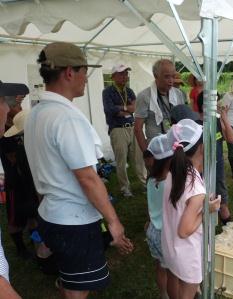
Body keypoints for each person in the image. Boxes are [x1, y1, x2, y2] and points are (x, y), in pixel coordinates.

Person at [24, 42, 133, 299]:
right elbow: (87, 177)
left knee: (70, 280)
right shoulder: (66, 117)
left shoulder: (37, 112)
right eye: (85, 71)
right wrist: (114, 222)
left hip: (52, 213)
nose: (87, 78)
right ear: (70, 72)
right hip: (73, 220)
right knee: (77, 290)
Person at [161, 119, 220, 299]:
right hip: (187, 253)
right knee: (189, 290)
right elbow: (184, 230)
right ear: (202, 148)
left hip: (171, 248)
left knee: (176, 281)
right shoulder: (196, 190)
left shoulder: (174, 173)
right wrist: (207, 210)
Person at [0, 80, 28, 299]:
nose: (12, 108)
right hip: (12, 177)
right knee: (14, 214)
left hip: (25, 175)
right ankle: (19, 247)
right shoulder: (4, 132)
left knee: (31, 210)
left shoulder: (20, 116)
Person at [102, 64, 146, 197]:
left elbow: (135, 109)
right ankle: (125, 187)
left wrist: (122, 109)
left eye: (126, 74)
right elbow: (110, 110)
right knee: (121, 160)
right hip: (117, 129)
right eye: (121, 74)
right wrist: (127, 108)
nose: (125, 76)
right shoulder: (107, 92)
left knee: (139, 158)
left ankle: (144, 183)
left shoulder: (130, 91)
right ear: (113, 76)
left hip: (132, 127)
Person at [197, 92, 233, 224]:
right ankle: (205, 234)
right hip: (201, 172)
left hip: (217, 170)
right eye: (215, 104)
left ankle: (227, 232)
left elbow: (231, 139)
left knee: (222, 202)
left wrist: (224, 118)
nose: (218, 106)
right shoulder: (196, 125)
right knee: (202, 204)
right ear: (204, 106)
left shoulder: (217, 121)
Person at [134, 59, 184, 153]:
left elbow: (182, 121)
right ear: (156, 76)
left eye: (173, 76)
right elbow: (137, 128)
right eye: (167, 77)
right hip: (156, 150)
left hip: (176, 147)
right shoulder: (144, 96)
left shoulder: (178, 94)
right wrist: (146, 154)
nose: (171, 81)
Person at [146, 134, 173, 299]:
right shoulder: (170, 184)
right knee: (172, 271)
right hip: (166, 234)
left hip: (153, 231)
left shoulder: (150, 180)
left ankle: (163, 294)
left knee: (160, 266)